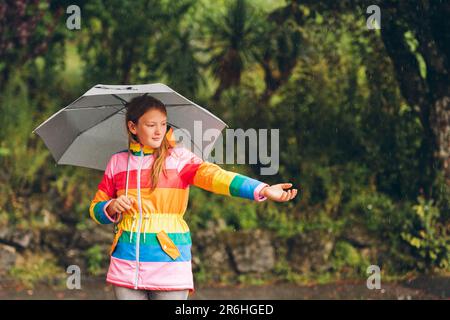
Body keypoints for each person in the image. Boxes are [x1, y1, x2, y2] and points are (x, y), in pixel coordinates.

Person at [89, 95, 298, 300]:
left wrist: (261, 189)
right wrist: (112, 206)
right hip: (125, 262)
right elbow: (96, 208)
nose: (159, 130)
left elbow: (218, 177)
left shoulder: (179, 159)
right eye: (151, 125)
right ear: (133, 127)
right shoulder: (117, 162)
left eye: (163, 123)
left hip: (169, 261)